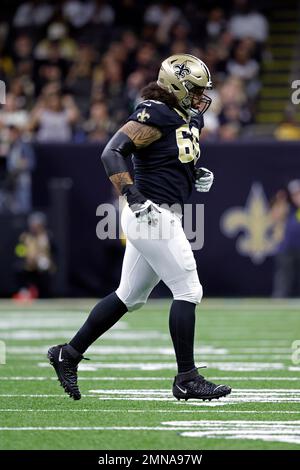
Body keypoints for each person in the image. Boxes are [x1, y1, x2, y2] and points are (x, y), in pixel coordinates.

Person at [48, 54, 231, 402]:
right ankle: (187, 379)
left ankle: (67, 354)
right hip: (149, 211)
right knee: (189, 290)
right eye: (194, 90)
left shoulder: (186, 117)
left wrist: (195, 174)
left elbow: (168, 158)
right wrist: (131, 195)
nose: (200, 98)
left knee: (129, 296)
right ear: (176, 86)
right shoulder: (155, 111)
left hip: (162, 211)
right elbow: (112, 153)